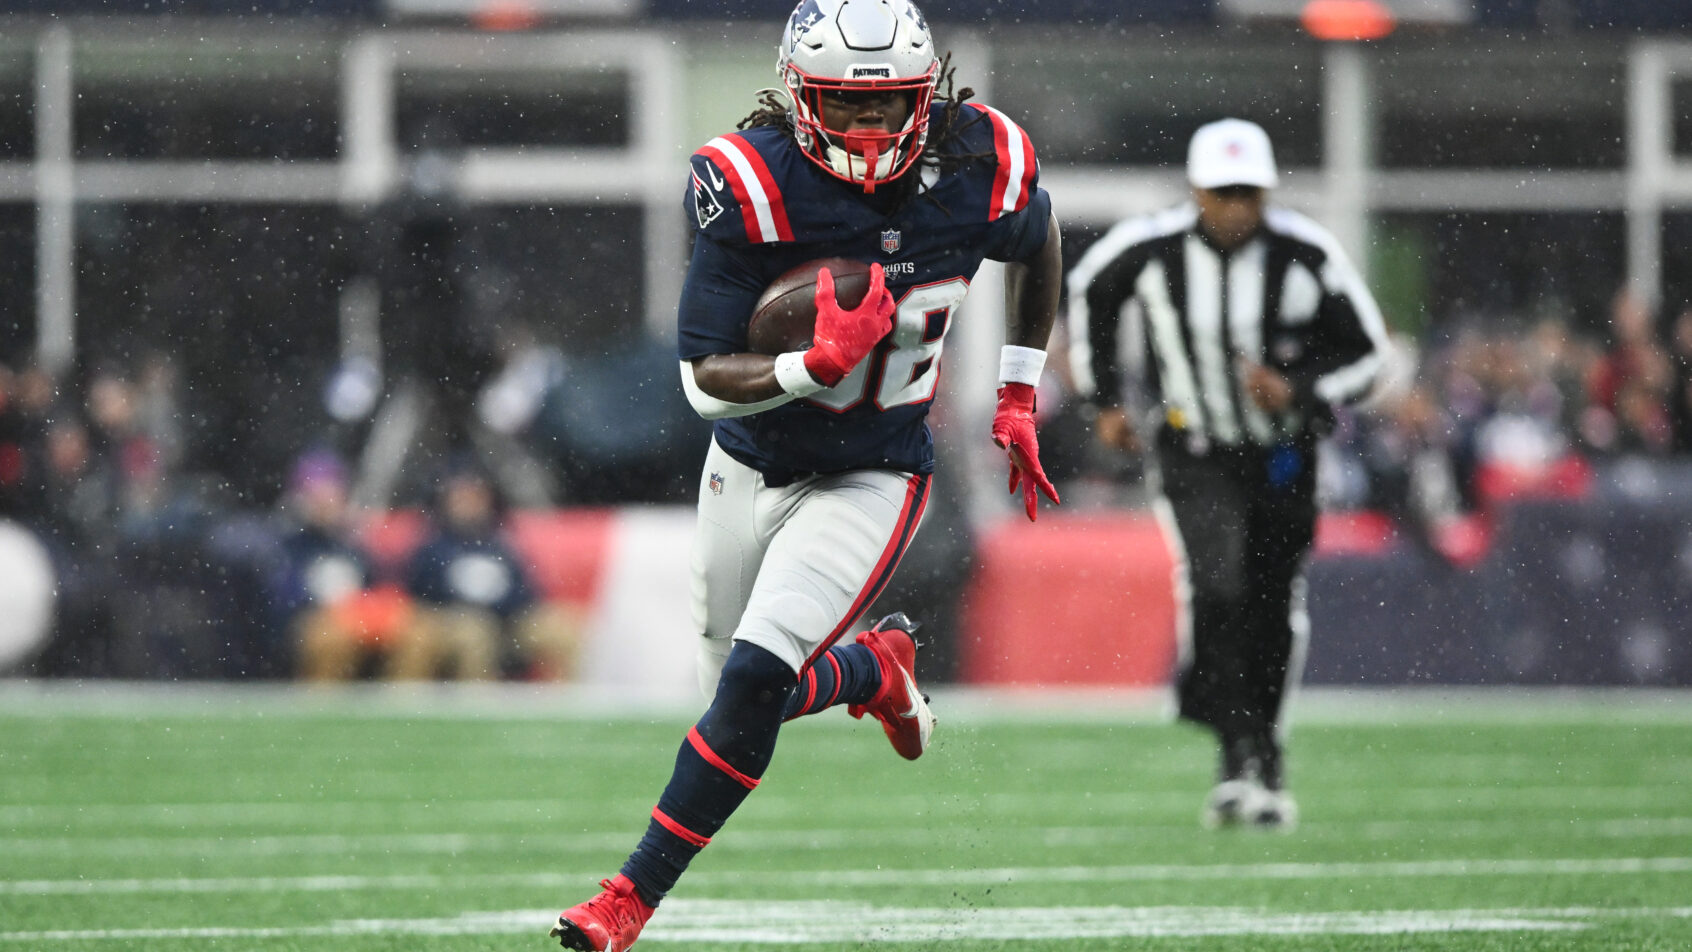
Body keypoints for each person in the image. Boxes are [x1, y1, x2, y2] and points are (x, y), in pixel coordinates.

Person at [549, 1, 1062, 948]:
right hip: (747, 460)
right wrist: (808, 367)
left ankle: (627, 901)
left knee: (751, 687)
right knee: (735, 699)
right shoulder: (749, 180)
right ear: (799, 94)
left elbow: (1039, 240)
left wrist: (1018, 394)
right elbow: (702, 382)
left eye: (889, 108)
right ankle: (874, 666)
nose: (870, 131)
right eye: (844, 106)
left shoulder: (978, 162)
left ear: (925, 94)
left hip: (873, 473)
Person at [1067, 118, 1390, 830]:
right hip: (1195, 448)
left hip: (1281, 454)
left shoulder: (1305, 254)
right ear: (1196, 192)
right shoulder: (1152, 249)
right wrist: (1106, 401)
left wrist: (1299, 388)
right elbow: (1089, 286)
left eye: (1249, 193)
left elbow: (1370, 355)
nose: (1237, 208)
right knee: (1219, 582)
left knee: (1272, 598)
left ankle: (1260, 749)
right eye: (1224, 192)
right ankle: (1234, 741)